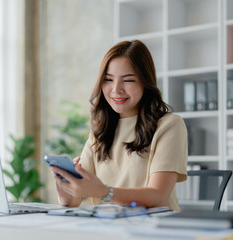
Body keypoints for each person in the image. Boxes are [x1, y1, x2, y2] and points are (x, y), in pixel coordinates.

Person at [49, 40, 187, 211]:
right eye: (108, 80)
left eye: (128, 80)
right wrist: (66, 191)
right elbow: (75, 201)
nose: (116, 89)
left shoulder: (169, 125)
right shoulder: (101, 130)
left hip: (154, 230)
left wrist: (104, 192)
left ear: (145, 82)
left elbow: (158, 196)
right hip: (108, 228)